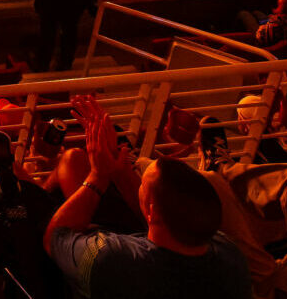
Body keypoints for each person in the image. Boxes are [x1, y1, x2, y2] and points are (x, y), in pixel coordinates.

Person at [46, 99, 252, 299]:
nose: (139, 180)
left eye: (142, 181)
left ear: (152, 212)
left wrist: (98, 175)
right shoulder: (230, 258)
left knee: (70, 164)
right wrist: (120, 171)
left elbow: (55, 237)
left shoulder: (113, 261)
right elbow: (165, 220)